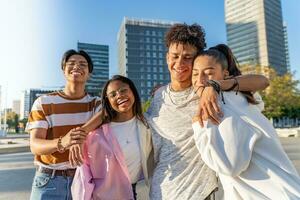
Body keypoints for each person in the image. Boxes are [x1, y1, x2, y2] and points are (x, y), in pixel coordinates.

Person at [145, 23, 270, 199]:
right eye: (175, 56)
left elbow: (262, 81)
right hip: (160, 191)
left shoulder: (207, 90)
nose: (179, 63)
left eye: (188, 57)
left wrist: (216, 85)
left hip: (199, 192)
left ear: (197, 60)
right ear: (167, 58)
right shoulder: (158, 97)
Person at [191, 44, 300, 199]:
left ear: (225, 74)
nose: (200, 80)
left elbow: (230, 166)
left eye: (209, 73)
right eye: (195, 74)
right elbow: (260, 82)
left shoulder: (222, 104)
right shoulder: (241, 98)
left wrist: (198, 127)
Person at [26, 50, 101, 200]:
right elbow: (35, 145)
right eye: (71, 63)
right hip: (48, 181)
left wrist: (79, 135)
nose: (76, 67)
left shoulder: (96, 104)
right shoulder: (44, 102)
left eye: (82, 64)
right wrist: (63, 141)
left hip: (83, 181)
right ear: (63, 71)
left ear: (89, 73)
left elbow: (107, 113)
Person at [71, 75, 153, 200]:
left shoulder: (146, 125)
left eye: (123, 90)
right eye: (113, 95)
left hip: (131, 192)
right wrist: (81, 136)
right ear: (108, 100)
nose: (119, 96)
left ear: (133, 92)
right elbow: (83, 178)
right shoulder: (96, 136)